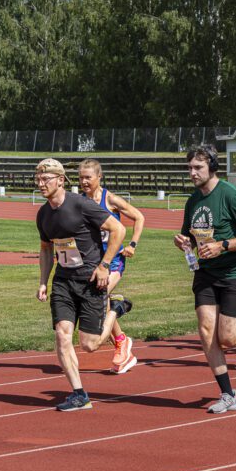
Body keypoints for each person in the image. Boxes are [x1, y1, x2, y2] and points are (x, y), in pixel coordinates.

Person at [175, 145, 236, 413]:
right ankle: (227, 393)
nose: (192, 172)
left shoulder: (232, 196)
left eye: (197, 167)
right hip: (207, 273)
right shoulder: (193, 201)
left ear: (212, 167)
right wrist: (184, 242)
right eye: (189, 168)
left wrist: (224, 245)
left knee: (229, 338)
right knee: (207, 332)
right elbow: (193, 239)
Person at [35, 158, 130, 411]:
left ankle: (116, 309)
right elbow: (46, 248)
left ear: (60, 180)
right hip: (63, 283)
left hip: (90, 281)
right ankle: (79, 393)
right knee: (62, 335)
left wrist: (104, 265)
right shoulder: (43, 213)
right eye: (38, 179)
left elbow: (118, 230)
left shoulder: (81, 205)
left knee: (89, 344)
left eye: (46, 178)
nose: (41, 183)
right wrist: (43, 281)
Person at [78, 159, 144, 373]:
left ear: (99, 177)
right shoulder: (79, 202)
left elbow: (139, 217)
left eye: (88, 177)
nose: (84, 181)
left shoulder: (111, 200)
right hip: (92, 264)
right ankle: (122, 341)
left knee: (102, 294)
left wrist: (132, 244)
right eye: (81, 177)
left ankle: (119, 309)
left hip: (113, 263)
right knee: (100, 301)